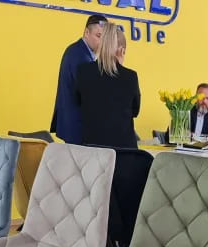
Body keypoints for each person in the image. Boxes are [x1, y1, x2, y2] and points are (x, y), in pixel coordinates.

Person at [75, 23, 140, 149]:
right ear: (121, 51)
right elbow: (135, 111)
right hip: (124, 151)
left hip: (92, 149)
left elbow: (79, 102)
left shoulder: (83, 71)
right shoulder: (130, 76)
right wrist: (119, 66)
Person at [50, 14, 106, 144]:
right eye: (98, 36)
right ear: (86, 32)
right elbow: (88, 91)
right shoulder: (79, 55)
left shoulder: (78, 51)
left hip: (74, 123)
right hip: (77, 125)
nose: (102, 42)